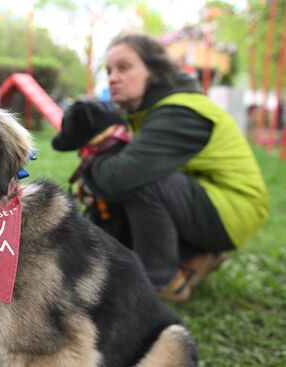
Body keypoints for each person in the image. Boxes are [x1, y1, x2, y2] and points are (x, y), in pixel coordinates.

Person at [83, 33, 269, 302]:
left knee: (140, 181)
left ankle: (164, 282)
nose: (112, 77)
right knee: (134, 180)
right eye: (109, 70)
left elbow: (117, 179)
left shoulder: (180, 111)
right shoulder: (152, 110)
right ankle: (194, 257)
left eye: (124, 67)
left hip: (235, 208)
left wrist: (92, 161)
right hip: (208, 199)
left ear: (154, 71)